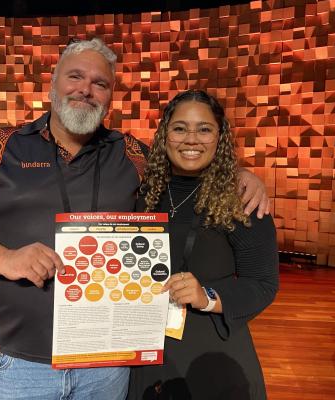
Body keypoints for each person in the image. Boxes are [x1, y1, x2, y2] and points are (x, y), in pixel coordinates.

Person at [0, 39, 269, 399]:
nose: (85, 90)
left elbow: (192, 158)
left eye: (100, 83)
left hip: (107, 364)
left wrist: (242, 175)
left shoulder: (134, 155)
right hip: (19, 364)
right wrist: (6, 259)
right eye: (75, 76)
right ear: (52, 83)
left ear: (110, 97)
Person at [127, 90, 279, 400]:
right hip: (143, 348)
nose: (191, 139)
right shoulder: (142, 192)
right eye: (180, 128)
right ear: (164, 134)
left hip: (208, 357)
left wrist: (207, 297)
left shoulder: (240, 198)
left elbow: (263, 284)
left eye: (204, 129)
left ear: (219, 137)